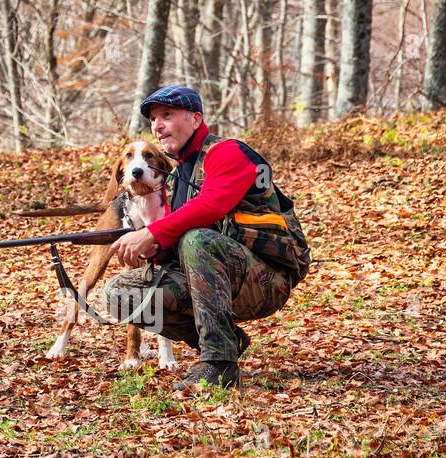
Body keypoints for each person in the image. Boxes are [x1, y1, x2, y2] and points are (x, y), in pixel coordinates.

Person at [102, 85, 311, 392]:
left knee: (198, 240)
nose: (157, 126)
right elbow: (178, 245)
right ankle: (227, 341)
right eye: (153, 119)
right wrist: (152, 250)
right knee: (119, 293)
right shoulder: (179, 174)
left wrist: (152, 233)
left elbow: (210, 206)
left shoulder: (226, 153)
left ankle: (219, 364)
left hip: (267, 278)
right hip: (215, 278)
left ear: (196, 119)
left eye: (167, 115)